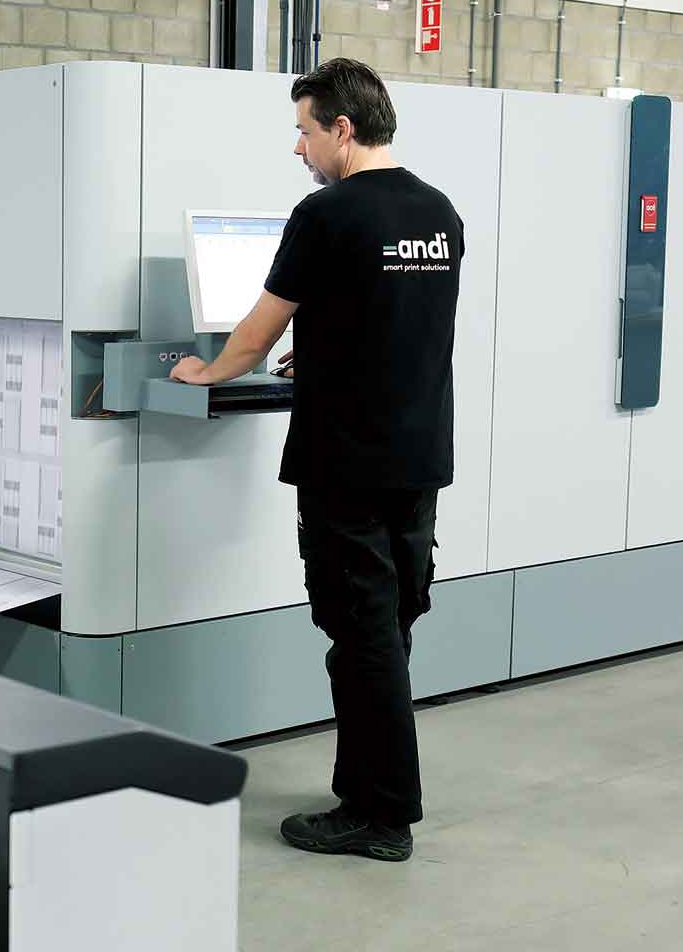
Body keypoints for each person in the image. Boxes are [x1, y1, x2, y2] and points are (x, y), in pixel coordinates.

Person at [168, 57, 463, 863]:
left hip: (346, 463)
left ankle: (383, 816)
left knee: (357, 632)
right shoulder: (439, 213)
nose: (298, 149)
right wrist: (325, 352)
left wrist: (206, 370)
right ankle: (364, 791)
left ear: (342, 128)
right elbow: (397, 322)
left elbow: (255, 333)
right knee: (391, 625)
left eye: (304, 131)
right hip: (418, 456)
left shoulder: (326, 213)